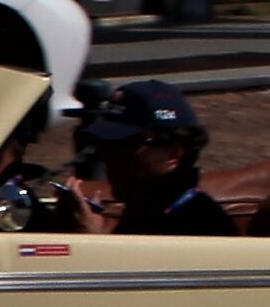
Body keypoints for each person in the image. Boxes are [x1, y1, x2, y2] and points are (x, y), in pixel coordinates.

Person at [71, 80, 238, 237]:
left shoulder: (200, 227)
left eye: (123, 146)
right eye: (104, 144)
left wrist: (91, 238)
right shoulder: (144, 213)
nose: (108, 157)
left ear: (174, 154)